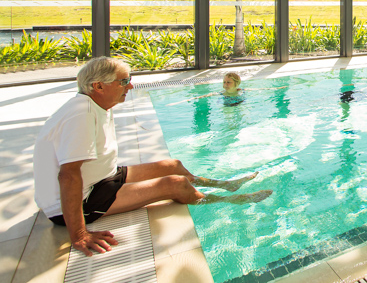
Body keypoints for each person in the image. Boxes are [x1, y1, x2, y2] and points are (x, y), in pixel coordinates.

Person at [33, 57, 272, 257]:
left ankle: (223, 184)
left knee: (173, 165)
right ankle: (230, 199)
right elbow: (68, 176)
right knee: (176, 184)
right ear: (99, 86)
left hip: (101, 178)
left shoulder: (95, 106)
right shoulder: (81, 115)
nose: (130, 87)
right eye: (124, 81)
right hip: (81, 199)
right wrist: (80, 235)